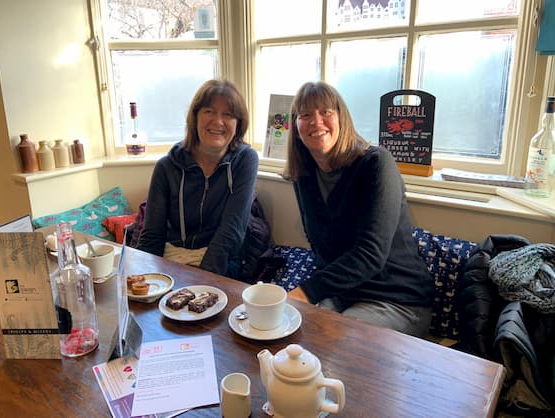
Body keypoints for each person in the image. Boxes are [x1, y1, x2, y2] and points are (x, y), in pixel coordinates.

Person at [285, 81, 434, 337]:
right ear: (296, 127)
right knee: (296, 332)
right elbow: (320, 247)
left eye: (326, 112)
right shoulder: (304, 174)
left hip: (396, 298)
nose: (316, 121)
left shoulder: (376, 164)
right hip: (344, 293)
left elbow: (370, 254)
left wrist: (306, 291)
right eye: (305, 115)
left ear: (342, 118)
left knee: (334, 345)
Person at [136, 79, 258, 279]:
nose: (218, 121)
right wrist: (140, 279)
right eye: (209, 111)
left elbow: (232, 231)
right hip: (172, 258)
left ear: (238, 124)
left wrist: (203, 283)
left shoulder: (245, 160)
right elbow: (152, 236)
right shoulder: (166, 167)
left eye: (228, 114)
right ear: (195, 117)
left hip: (221, 261)